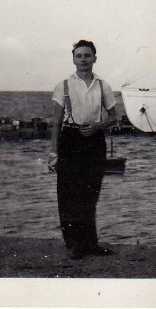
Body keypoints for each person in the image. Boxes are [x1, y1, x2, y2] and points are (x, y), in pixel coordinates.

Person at [49, 40, 120, 260]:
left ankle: (91, 243)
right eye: (79, 56)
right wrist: (53, 152)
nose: (83, 60)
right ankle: (74, 244)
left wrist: (99, 125)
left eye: (87, 56)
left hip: (94, 140)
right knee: (69, 193)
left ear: (94, 58)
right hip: (70, 139)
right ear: (73, 59)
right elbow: (57, 121)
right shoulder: (63, 85)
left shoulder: (102, 85)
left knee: (90, 193)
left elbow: (114, 117)